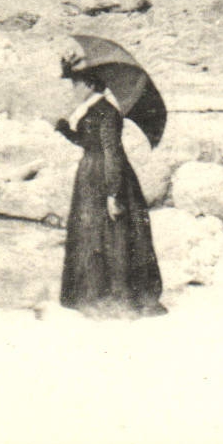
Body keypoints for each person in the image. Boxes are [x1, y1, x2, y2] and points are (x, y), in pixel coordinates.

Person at [54, 54, 167, 318]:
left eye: (76, 84)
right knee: (91, 234)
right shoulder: (94, 111)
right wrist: (66, 131)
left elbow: (111, 153)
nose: (73, 90)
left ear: (91, 85)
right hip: (92, 175)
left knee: (113, 235)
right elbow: (88, 142)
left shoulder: (107, 113)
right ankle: (90, 294)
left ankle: (116, 297)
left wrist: (113, 193)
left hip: (105, 177)